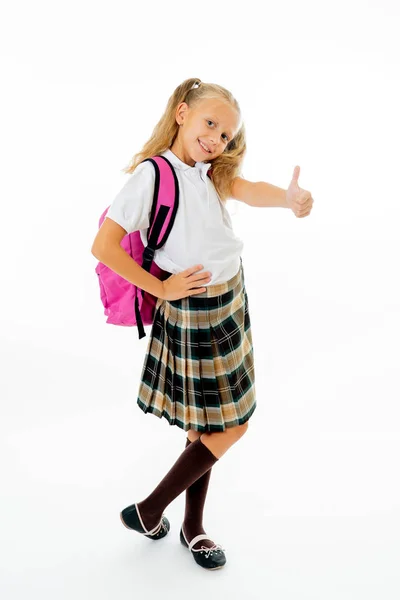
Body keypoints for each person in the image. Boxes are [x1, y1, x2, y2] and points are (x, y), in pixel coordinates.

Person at [91, 78, 314, 570]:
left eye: (227, 135)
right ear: (181, 113)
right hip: (193, 310)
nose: (217, 139)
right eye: (210, 124)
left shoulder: (208, 173)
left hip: (230, 300)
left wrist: (288, 198)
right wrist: (163, 289)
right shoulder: (152, 175)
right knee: (232, 425)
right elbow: (103, 246)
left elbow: (248, 189)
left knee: (205, 426)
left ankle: (192, 527)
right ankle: (150, 509)